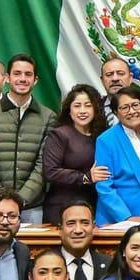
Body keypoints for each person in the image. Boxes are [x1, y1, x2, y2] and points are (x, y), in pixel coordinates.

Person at [0, 53, 58, 223]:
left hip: (31, 207)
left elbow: (43, 164)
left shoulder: (48, 116)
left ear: (35, 80)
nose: (22, 79)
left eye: (28, 74)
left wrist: (21, 199)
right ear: (7, 78)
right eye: (17, 73)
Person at [42, 84, 109, 224]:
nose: (82, 111)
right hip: (62, 207)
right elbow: (51, 172)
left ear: (96, 108)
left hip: (95, 206)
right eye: (77, 106)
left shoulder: (103, 135)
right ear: (69, 110)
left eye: (88, 105)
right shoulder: (60, 135)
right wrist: (85, 177)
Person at [93, 85, 140, 226]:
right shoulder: (106, 140)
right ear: (116, 112)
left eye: (135, 105)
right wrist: (126, 217)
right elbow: (104, 185)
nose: (132, 111)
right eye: (124, 108)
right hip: (116, 218)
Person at [54, 201, 112, 280]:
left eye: (85, 223)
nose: (78, 230)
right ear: (60, 229)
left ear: (93, 227)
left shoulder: (109, 265)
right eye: (71, 223)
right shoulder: (46, 265)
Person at [99, 57, 133, 122]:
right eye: (109, 75)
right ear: (102, 80)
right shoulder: (93, 109)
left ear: (130, 78)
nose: (115, 78)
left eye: (120, 73)